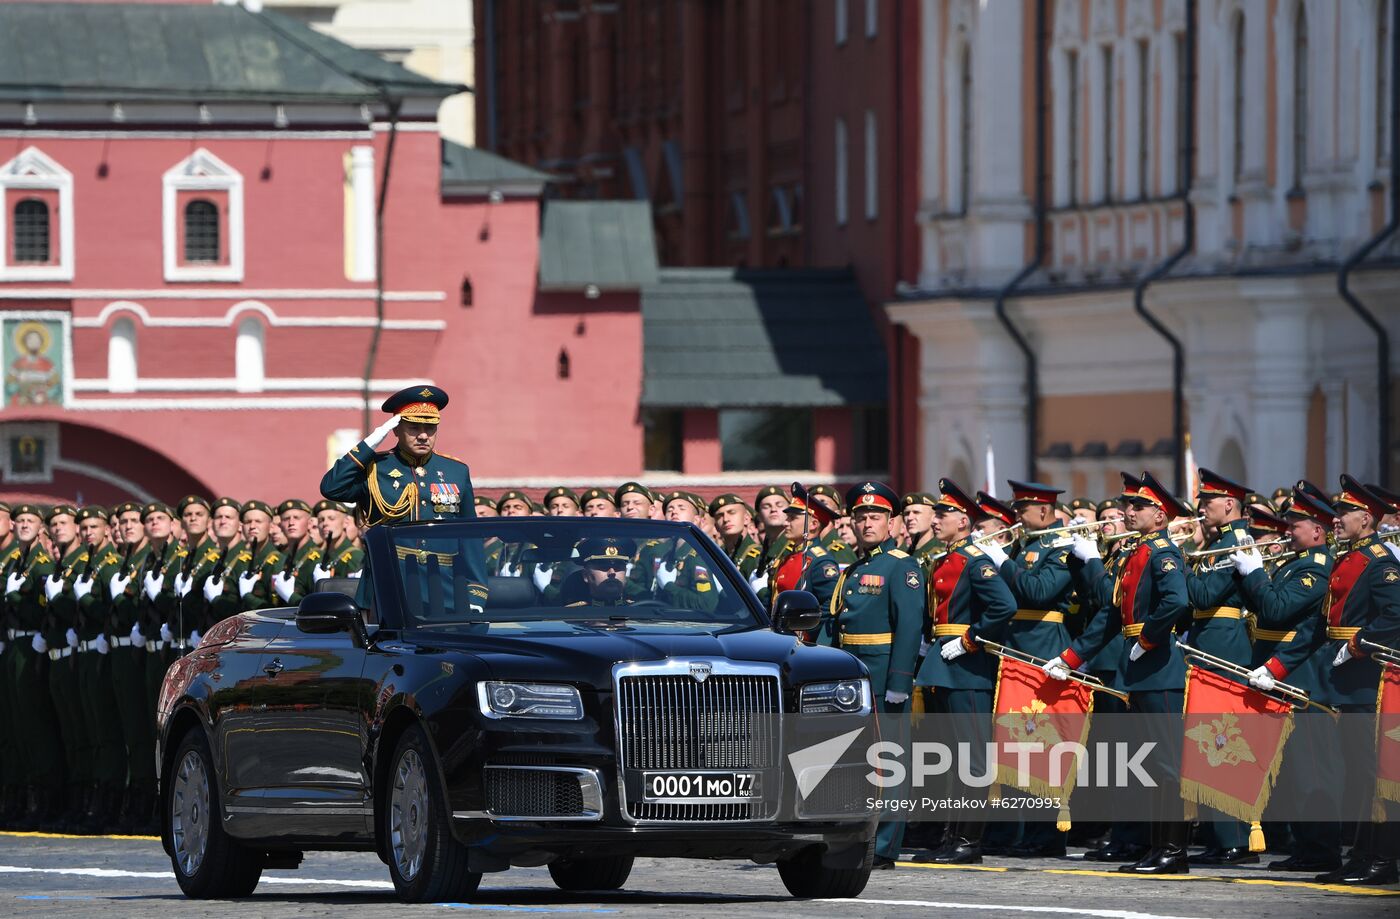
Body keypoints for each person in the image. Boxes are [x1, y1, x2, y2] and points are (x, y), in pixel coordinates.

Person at [1045, 471, 1192, 875]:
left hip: (1157, 666)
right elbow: (1111, 616)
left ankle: (1172, 850)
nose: (1130, 511)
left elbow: (1177, 601)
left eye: (1139, 506)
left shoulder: (1162, 552)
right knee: (1148, 762)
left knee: (1165, 762)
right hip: (1137, 666)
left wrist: (1148, 638)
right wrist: (1071, 658)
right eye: (1129, 505)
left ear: (1160, 515)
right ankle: (1156, 847)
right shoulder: (1135, 553)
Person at [1231, 486, 1338, 873]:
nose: (1288, 530)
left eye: (1295, 525)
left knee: (1310, 767)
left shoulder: (1316, 567)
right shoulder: (1295, 563)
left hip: (1300, 677)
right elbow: (1263, 605)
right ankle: (1306, 845)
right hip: (1279, 676)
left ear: (1317, 530)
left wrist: (1256, 573)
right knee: (1292, 768)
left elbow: (1276, 610)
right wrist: (1244, 575)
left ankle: (1322, 847)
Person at [912, 479, 1017, 865]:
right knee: (951, 757)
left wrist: (971, 639)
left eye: (943, 514)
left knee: (972, 758)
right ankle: (951, 836)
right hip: (943, 664)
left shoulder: (974, 559)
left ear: (963, 521)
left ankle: (968, 841)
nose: (935, 520)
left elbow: (1004, 606)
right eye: (936, 514)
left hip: (967, 667)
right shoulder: (945, 559)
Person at [1301, 476, 1400, 885]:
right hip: (1347, 678)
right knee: (1358, 773)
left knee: (1376, 771)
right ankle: (1361, 855)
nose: (1336, 518)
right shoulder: (1351, 556)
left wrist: (1359, 644)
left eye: (1344, 512)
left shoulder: (1380, 561)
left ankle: (1383, 858)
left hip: (1369, 678)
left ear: (1367, 518)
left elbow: (1395, 614)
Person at [830, 481, 925, 870]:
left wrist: (900, 681)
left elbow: (909, 627)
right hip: (851, 675)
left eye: (875, 517)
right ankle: (853, 835)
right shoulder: (857, 568)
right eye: (861, 517)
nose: (867, 523)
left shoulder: (901, 566)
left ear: (892, 522)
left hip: (883, 676)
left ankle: (884, 844)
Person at [993, 480, 1079, 858]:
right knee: (1018, 741)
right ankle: (1025, 832)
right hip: (1018, 647)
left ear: (1044, 510)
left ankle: (1046, 835)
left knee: (1042, 741)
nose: (1015, 514)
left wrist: (1003, 563)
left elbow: (1039, 592)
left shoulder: (1059, 545)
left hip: (1044, 646)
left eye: (1021, 508)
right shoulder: (1023, 543)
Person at [1184, 468, 1256, 864]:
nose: (1201, 508)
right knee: (1208, 744)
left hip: (1223, 651)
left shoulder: (1236, 543)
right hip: (1209, 647)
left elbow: (1205, 595)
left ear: (1229, 504)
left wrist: (1177, 559)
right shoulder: (1220, 542)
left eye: (1207, 501)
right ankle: (1218, 836)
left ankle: (1235, 840)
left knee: (1223, 744)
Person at [321, 385, 477, 526]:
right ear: (396, 429)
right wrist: (370, 443)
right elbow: (331, 488)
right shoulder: (374, 468)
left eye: (430, 428)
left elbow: (470, 531)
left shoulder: (456, 470)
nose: (423, 436)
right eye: (414, 428)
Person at [3, 504, 64, 829]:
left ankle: (46, 799)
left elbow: (46, 610)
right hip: (15, 645)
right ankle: (28, 797)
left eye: (31, 520)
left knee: (35, 725)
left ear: (41, 528)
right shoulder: (20, 561)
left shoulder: (40, 563)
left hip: (32, 645)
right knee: (19, 727)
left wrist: (15, 599)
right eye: (20, 520)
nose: (24, 524)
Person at [71, 506, 125, 831]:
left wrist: (85, 601)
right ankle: (97, 800)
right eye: (84, 528)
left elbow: (111, 611)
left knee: (108, 732)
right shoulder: (87, 564)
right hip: (89, 653)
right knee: (92, 732)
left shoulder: (110, 564)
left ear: (106, 529)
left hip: (105, 655)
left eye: (94, 526)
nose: (88, 532)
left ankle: (113, 804)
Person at [39, 504, 90, 831]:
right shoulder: (62, 566)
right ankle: (74, 801)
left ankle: (93, 803)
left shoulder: (84, 564)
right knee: (69, 734)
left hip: (80, 656)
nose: (59, 528)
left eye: (64, 522)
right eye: (54, 524)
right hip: (59, 656)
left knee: (86, 734)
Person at [766, 485, 841, 631]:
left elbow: (830, 607)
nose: (785, 523)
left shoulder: (820, 562)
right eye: (787, 517)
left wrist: (807, 631)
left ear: (813, 524)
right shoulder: (787, 557)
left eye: (792, 518)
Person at [566, 538, 637, 608]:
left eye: (618, 567)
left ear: (625, 573)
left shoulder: (639, 610)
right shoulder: (572, 613)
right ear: (585, 575)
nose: (612, 573)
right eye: (603, 567)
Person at [710, 494, 763, 581]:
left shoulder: (757, 557)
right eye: (720, 516)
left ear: (746, 519)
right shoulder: (716, 557)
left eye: (731, 513)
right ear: (716, 527)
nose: (726, 519)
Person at [755, 486, 791, 574]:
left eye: (779, 505)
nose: (773, 510)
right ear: (759, 515)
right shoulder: (762, 550)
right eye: (766, 507)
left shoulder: (796, 547)